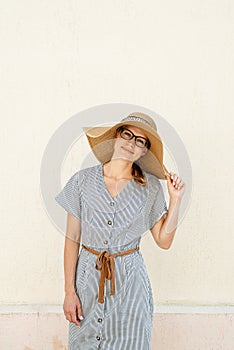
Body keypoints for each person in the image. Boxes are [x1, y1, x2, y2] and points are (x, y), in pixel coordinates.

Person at [55, 111, 185, 350]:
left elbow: (163, 241)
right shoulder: (81, 181)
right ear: (116, 136)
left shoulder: (151, 188)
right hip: (88, 284)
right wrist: (69, 292)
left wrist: (175, 201)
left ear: (144, 150)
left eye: (140, 141)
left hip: (131, 289)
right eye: (128, 134)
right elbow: (72, 238)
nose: (131, 143)